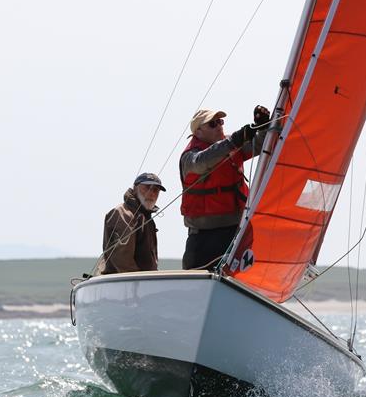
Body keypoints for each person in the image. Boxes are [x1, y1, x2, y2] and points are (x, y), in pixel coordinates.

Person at [180, 105, 270, 270]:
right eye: (212, 124)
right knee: (199, 279)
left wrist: (263, 127)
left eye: (220, 121)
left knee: (238, 278)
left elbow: (261, 145)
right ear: (198, 132)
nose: (219, 126)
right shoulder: (189, 158)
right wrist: (235, 140)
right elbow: (203, 162)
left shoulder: (231, 145)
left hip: (235, 230)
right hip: (203, 236)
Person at [98, 172, 165, 275]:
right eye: (147, 187)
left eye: (156, 190)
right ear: (135, 188)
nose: (151, 193)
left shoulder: (146, 217)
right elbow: (122, 258)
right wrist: (140, 282)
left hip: (140, 282)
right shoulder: (122, 213)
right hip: (122, 283)